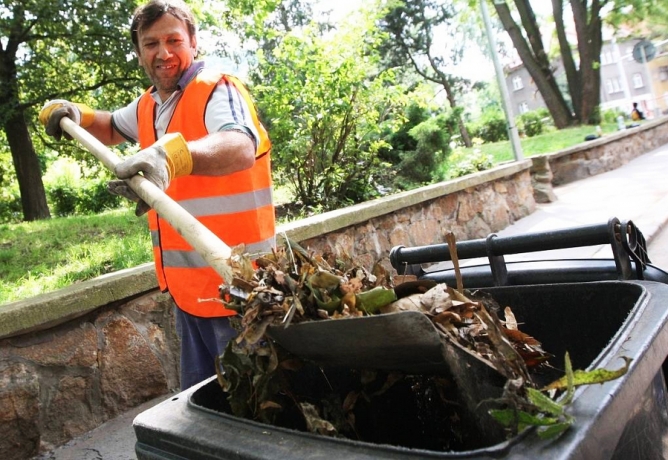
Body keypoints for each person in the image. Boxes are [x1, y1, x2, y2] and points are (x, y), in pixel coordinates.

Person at [39, 0, 276, 390]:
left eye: (173, 40)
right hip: (190, 294)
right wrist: (73, 113)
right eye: (150, 44)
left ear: (193, 43)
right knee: (203, 413)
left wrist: (172, 156)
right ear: (139, 53)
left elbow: (239, 146)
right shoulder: (150, 105)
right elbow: (109, 126)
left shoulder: (216, 89)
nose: (163, 53)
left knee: (254, 411)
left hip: (239, 291)